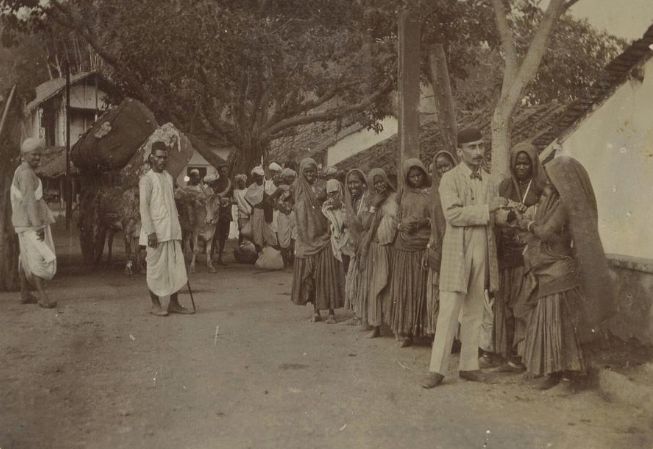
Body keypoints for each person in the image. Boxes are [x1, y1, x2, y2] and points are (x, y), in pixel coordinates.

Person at [517, 155, 612, 393]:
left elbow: (547, 232)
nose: (546, 182)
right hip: (547, 270)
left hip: (560, 272)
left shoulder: (563, 205)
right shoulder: (547, 202)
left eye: (551, 179)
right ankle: (553, 373)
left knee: (562, 328)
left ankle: (569, 378)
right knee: (549, 325)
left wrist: (526, 225)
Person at [422, 128, 506, 388]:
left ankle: (469, 365)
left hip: (483, 244)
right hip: (457, 247)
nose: (479, 152)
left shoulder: (491, 181)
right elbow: (453, 215)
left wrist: (508, 211)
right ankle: (436, 369)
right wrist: (488, 209)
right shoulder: (449, 179)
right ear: (460, 151)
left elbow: (494, 215)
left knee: (475, 308)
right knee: (449, 309)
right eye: (472, 147)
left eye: (481, 146)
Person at [493, 142, 544, 372]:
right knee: (505, 305)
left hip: (528, 255)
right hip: (506, 254)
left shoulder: (541, 188)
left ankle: (524, 354)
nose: (522, 167)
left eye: (526, 163)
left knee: (523, 305)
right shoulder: (505, 186)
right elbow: (496, 215)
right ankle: (507, 353)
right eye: (518, 163)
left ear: (533, 164)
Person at [139, 141, 194, 316]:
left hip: (171, 230)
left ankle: (174, 303)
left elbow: (171, 205)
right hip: (155, 233)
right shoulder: (146, 180)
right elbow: (144, 208)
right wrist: (151, 232)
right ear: (151, 158)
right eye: (159, 157)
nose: (162, 160)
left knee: (175, 268)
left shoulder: (169, 177)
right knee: (155, 269)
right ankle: (155, 304)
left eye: (165, 157)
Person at [291, 158, 345, 324]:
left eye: (312, 171)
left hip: (324, 236)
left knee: (327, 275)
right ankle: (315, 311)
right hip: (305, 238)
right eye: (306, 172)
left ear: (317, 171)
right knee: (311, 275)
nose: (309, 174)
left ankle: (331, 312)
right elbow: (285, 202)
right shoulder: (296, 187)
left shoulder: (325, 185)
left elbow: (335, 203)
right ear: (301, 172)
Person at [390, 158, 432, 348]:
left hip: (424, 245)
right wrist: (401, 225)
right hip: (404, 247)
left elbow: (438, 218)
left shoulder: (432, 193)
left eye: (419, 175)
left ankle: (424, 331)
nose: (416, 179)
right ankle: (406, 332)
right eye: (412, 176)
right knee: (405, 289)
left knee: (422, 289)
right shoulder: (402, 193)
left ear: (424, 174)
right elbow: (395, 217)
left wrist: (424, 222)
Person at [11, 138, 57, 308]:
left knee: (25, 257)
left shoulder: (23, 171)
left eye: (39, 155)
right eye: (34, 155)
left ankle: (24, 294)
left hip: (24, 223)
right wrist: (38, 226)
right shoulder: (25, 174)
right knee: (38, 258)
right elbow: (30, 202)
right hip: (30, 224)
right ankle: (43, 297)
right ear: (24, 156)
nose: (38, 158)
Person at [357, 168, 397, 338]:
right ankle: (376, 326)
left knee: (390, 287)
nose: (380, 185)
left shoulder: (395, 198)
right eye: (376, 182)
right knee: (375, 287)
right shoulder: (368, 200)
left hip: (391, 247)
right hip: (374, 248)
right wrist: (374, 205)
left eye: (382, 181)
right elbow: (364, 225)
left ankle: (394, 326)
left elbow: (398, 217)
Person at [425, 150, 457, 335]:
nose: (444, 170)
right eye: (439, 168)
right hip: (438, 246)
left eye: (447, 165)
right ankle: (440, 333)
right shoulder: (434, 193)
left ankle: (457, 336)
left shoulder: (461, 187)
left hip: (457, 246)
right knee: (438, 291)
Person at [342, 169, 369, 326]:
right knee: (354, 279)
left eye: (356, 182)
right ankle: (357, 315)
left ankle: (362, 317)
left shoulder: (366, 200)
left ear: (363, 183)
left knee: (362, 280)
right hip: (354, 247)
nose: (352, 185)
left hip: (365, 245)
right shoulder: (352, 200)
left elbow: (365, 223)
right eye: (350, 183)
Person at [245, 166, 277, 251]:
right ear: (254, 177)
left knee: (269, 230)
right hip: (256, 211)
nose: (258, 178)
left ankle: (272, 251)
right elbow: (247, 197)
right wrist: (252, 206)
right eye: (256, 176)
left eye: (260, 176)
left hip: (266, 211)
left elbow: (274, 196)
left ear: (263, 176)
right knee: (256, 231)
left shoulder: (268, 185)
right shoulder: (252, 187)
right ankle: (259, 252)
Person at [210, 164, 233, 266]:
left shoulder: (230, 184)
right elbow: (210, 196)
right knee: (213, 235)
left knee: (223, 236)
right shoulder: (214, 184)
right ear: (219, 173)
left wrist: (228, 201)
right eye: (222, 171)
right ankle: (210, 257)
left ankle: (220, 258)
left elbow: (232, 197)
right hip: (215, 212)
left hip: (226, 213)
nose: (224, 173)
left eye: (225, 171)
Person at [321, 179, 349, 262]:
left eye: (335, 192)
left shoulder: (345, 204)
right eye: (330, 193)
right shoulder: (326, 206)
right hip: (332, 237)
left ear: (339, 190)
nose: (332, 195)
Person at [275, 168, 297, 266]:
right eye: (289, 177)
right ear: (284, 177)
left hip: (294, 215)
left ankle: (292, 260)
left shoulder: (296, 187)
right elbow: (271, 200)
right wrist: (282, 209)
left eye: (293, 177)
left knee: (294, 237)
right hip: (283, 215)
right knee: (283, 238)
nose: (291, 179)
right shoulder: (281, 188)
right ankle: (284, 262)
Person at [232, 174, 251, 246]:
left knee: (249, 232)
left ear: (245, 182)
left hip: (250, 213)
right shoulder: (236, 192)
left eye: (242, 181)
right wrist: (247, 212)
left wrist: (250, 211)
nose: (241, 183)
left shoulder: (248, 190)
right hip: (242, 215)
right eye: (239, 182)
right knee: (242, 232)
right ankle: (240, 248)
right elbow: (239, 204)